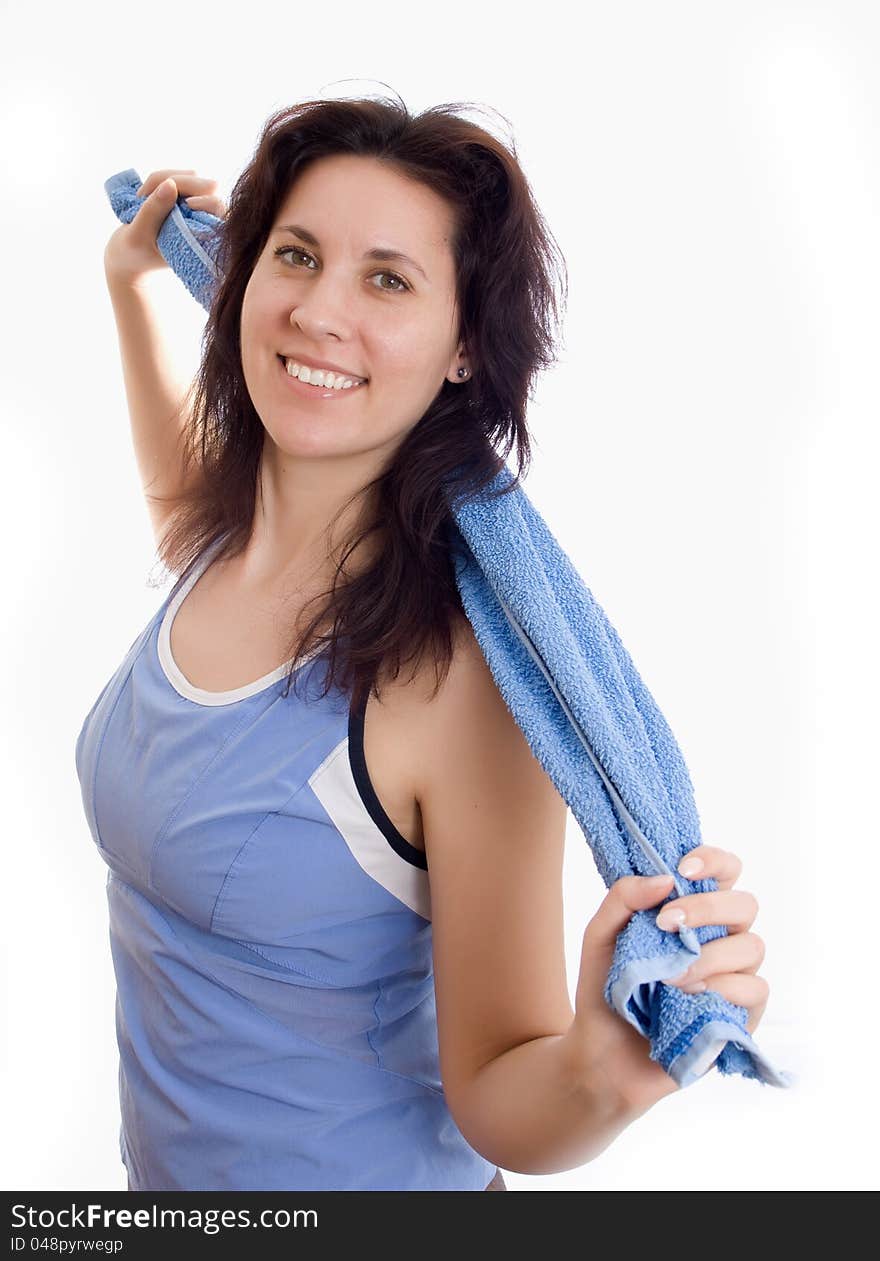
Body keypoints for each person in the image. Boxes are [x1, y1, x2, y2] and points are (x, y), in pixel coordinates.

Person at [81, 95, 769, 1192]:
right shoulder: (224, 539)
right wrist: (130, 285)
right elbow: (177, 490)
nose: (318, 311)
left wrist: (600, 1068)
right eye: (295, 255)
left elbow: (498, 1097)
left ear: (461, 350)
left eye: (388, 280)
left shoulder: (453, 692)